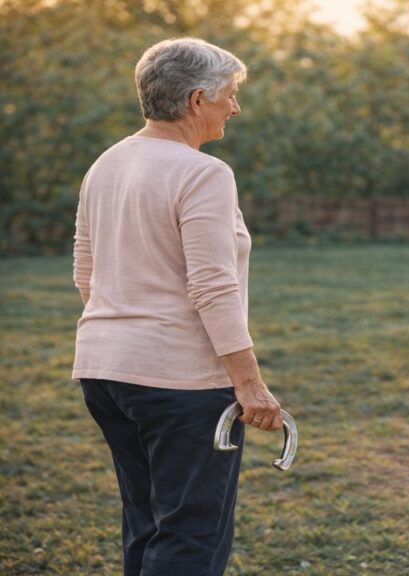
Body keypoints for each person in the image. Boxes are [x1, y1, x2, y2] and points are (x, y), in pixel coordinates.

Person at [72, 38, 283, 575]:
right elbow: (213, 286)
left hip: (105, 373)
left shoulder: (106, 163)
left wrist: (125, 332)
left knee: (147, 522)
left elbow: (85, 270)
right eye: (229, 95)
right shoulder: (204, 173)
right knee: (190, 536)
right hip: (180, 386)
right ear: (196, 100)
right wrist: (249, 383)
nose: (234, 107)